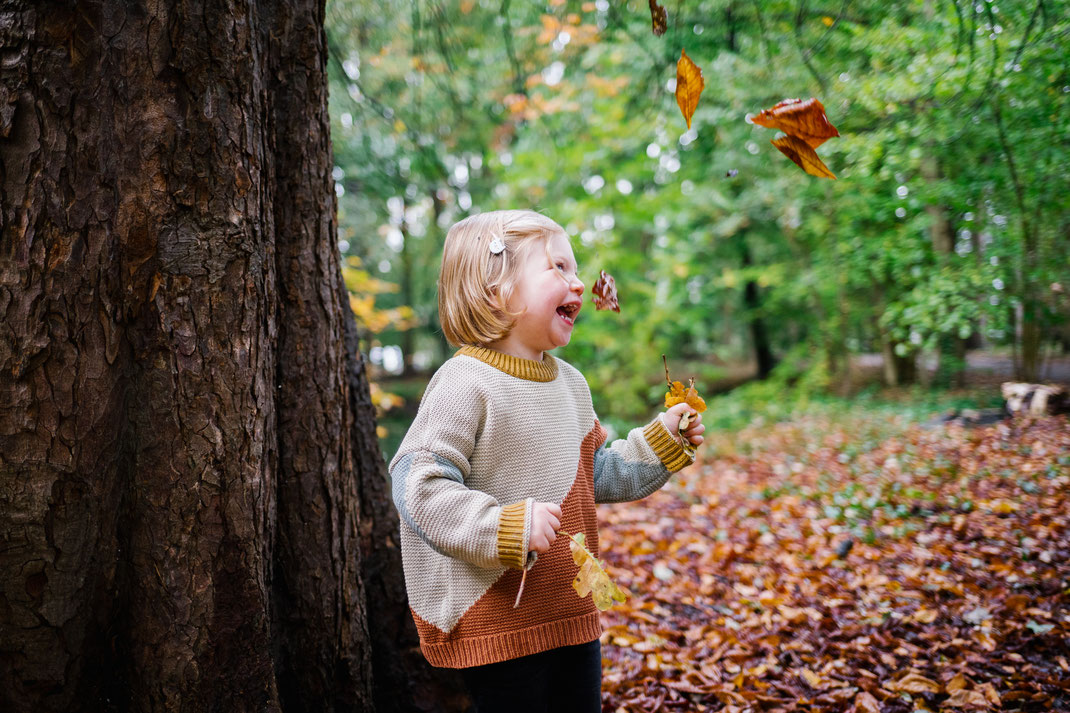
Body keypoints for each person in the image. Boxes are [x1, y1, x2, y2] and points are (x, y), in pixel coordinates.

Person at [389, 209, 704, 712]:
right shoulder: (464, 382)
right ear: (497, 290)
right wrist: (503, 527)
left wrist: (659, 441)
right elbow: (417, 485)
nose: (578, 282)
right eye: (558, 267)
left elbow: (595, 473)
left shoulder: (571, 384)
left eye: (575, 269)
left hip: (569, 606)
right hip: (498, 617)